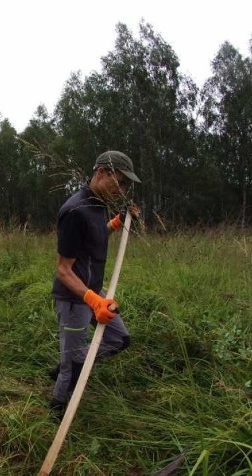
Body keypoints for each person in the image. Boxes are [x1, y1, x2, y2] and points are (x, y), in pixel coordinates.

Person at [50, 150, 141, 418]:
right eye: (119, 181)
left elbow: (94, 236)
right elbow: (63, 270)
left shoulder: (100, 205)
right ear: (101, 172)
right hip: (74, 299)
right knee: (75, 366)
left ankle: (68, 363)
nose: (121, 189)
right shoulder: (74, 211)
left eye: (126, 185)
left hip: (95, 292)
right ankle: (56, 408)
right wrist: (92, 300)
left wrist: (116, 223)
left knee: (119, 339)